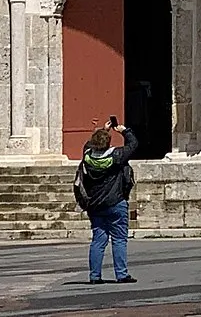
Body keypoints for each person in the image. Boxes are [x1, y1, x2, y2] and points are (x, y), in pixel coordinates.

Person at [74, 118, 138, 284]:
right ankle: (122, 274)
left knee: (98, 240)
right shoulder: (116, 156)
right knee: (119, 239)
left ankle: (95, 276)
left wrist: (103, 131)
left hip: (95, 205)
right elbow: (133, 145)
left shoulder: (87, 156)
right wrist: (124, 131)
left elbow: (89, 145)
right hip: (115, 202)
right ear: (108, 143)